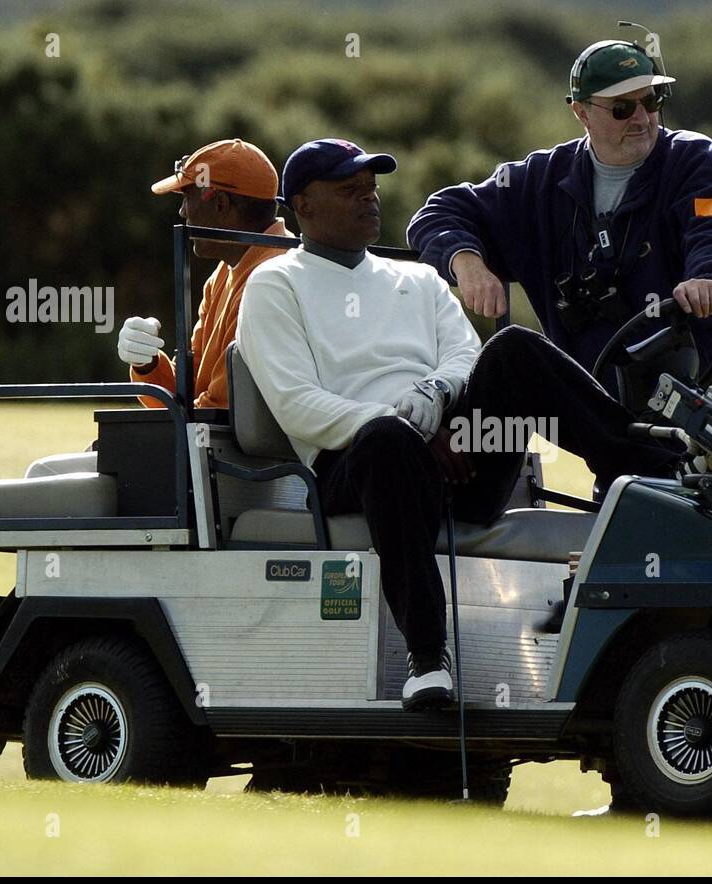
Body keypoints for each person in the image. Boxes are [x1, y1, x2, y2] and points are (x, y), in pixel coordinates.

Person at [237, 139, 683, 710]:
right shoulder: (276, 284)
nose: (369, 199)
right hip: (357, 466)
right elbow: (299, 403)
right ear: (304, 204)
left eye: (371, 187)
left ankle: (654, 472)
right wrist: (408, 425)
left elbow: (466, 356)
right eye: (350, 190)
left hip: (457, 452)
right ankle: (427, 660)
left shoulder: (417, 279)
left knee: (515, 348)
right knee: (387, 441)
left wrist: (437, 394)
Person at [407, 38, 712, 402]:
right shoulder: (540, 180)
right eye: (622, 107)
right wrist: (465, 261)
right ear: (581, 112)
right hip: (610, 419)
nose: (640, 118)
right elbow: (438, 212)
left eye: (651, 101)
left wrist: (709, 279)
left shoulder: (697, 159)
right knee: (509, 357)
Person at [118, 138, 292, 409]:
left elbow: (217, 412)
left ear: (220, 204)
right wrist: (148, 363)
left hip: (232, 450)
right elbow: (188, 388)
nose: (183, 210)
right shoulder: (225, 272)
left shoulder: (270, 278)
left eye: (188, 197)